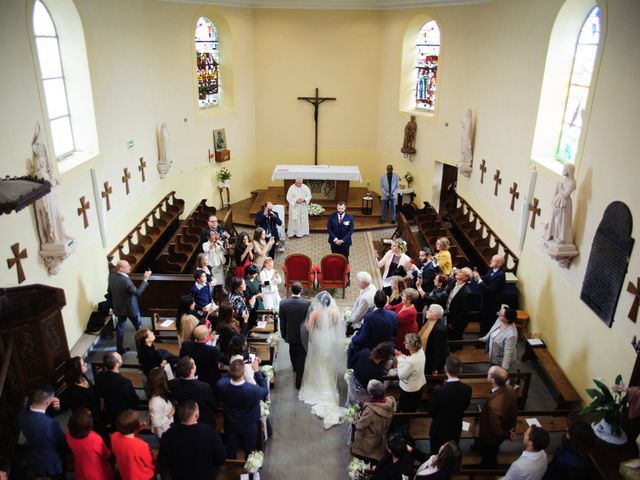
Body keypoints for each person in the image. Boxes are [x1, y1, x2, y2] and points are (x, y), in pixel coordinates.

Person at [299, 291, 347, 428]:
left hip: (319, 338)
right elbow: (337, 325)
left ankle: (320, 386)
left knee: (317, 361)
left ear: (319, 302)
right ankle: (330, 385)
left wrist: (308, 326)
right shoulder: (335, 312)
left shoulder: (315, 313)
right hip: (331, 338)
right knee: (328, 361)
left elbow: (308, 327)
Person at [158, 400, 226, 480]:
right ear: (196, 415)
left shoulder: (168, 435)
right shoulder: (211, 433)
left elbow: (163, 461)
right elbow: (221, 458)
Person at [216, 359, 269, 458]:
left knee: (231, 448)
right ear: (244, 372)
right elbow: (265, 390)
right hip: (249, 424)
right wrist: (257, 371)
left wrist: (235, 368)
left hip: (230, 423)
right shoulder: (252, 390)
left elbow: (224, 379)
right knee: (250, 449)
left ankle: (232, 465)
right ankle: (249, 470)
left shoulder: (222, 385)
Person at [18, 386, 66, 479]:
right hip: (51, 464)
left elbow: (38, 410)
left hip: (33, 458)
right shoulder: (50, 424)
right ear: (48, 402)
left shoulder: (22, 413)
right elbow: (62, 441)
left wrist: (56, 408)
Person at [428, 357, 472, 456]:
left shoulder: (438, 392)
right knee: (451, 454)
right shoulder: (467, 389)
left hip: (439, 429)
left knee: (436, 455)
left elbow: (431, 412)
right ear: (460, 370)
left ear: (445, 369)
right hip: (455, 427)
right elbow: (465, 405)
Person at [477, 366, 518, 468]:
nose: (487, 373)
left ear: (493, 380)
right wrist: (512, 427)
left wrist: (509, 434)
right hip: (505, 426)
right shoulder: (510, 389)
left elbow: (496, 430)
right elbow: (513, 411)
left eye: (489, 373)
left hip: (491, 436)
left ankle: (486, 468)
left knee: (489, 455)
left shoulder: (494, 405)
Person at [108, 259, 151, 354]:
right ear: (120, 268)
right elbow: (137, 293)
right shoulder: (126, 281)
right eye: (127, 266)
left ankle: (119, 349)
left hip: (119, 307)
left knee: (120, 328)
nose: (130, 267)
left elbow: (109, 291)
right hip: (131, 309)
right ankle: (144, 348)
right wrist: (145, 279)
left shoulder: (111, 276)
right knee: (139, 328)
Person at [351, 380, 396, 464]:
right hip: (382, 435)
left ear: (371, 395)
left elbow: (360, 427)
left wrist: (354, 420)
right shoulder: (390, 402)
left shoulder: (370, 411)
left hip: (371, 440)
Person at [66, 407, 114, 480]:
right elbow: (106, 455)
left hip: (80, 468)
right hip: (96, 471)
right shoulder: (94, 438)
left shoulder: (68, 435)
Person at [279, 282, 312, 389]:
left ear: (291, 290)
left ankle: (294, 367)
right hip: (303, 335)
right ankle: (298, 381)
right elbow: (309, 321)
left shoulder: (283, 303)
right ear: (301, 290)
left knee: (292, 351)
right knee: (301, 357)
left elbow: (282, 321)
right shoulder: (307, 304)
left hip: (290, 333)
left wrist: (284, 334)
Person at [169, 356, 217, 428]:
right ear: (192, 370)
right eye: (194, 364)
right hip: (201, 420)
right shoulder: (204, 387)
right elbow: (212, 404)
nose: (195, 365)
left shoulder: (172, 383)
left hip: (182, 419)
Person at [61, 357, 105, 436]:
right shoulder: (73, 390)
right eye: (83, 364)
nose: (86, 364)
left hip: (96, 410)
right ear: (77, 369)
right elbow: (81, 407)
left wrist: (100, 400)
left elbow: (93, 389)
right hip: (88, 416)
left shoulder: (83, 376)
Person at [95, 351, 140, 428]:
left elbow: (99, 392)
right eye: (120, 358)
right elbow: (133, 400)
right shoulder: (124, 382)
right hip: (123, 415)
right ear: (117, 364)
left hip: (109, 411)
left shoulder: (99, 376)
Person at [110, 410, 155, 480]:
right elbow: (150, 463)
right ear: (135, 427)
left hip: (125, 473)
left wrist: (137, 429)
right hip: (142, 476)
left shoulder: (114, 436)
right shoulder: (142, 445)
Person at [351, 290, 397, 354]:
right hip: (387, 349)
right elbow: (394, 333)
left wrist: (353, 338)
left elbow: (363, 339)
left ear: (374, 302)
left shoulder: (368, 317)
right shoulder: (393, 315)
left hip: (373, 350)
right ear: (386, 301)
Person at [180, 324, 222, 390]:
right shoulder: (212, 350)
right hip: (207, 378)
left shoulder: (185, 345)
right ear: (206, 337)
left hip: (191, 373)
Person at [473, 255, 507, 335]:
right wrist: (477, 276)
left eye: (493, 260)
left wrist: (479, 280)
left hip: (492, 304)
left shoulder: (500, 275)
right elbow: (486, 277)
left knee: (488, 324)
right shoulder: (492, 269)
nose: (490, 261)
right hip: (485, 301)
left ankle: (484, 341)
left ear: (499, 264)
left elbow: (488, 291)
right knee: (483, 321)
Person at [543, 163, 576, 245]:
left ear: (569, 171)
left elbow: (566, 194)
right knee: (557, 220)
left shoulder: (572, 183)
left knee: (563, 221)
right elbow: (559, 192)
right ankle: (555, 234)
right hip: (559, 202)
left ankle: (562, 238)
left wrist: (560, 187)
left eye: (564, 169)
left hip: (565, 204)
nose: (563, 171)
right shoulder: (565, 180)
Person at [394, 333, 426, 412]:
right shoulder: (421, 351)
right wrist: (403, 356)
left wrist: (400, 359)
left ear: (411, 346)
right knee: (414, 404)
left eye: (406, 342)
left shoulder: (412, 362)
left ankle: (405, 420)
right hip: (418, 384)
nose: (404, 343)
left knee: (406, 407)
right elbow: (411, 360)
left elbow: (401, 375)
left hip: (409, 389)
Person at [480, 305, 518, 370]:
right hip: (494, 355)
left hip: (501, 360)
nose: (498, 315)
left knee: (497, 375)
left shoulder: (511, 335)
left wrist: (503, 369)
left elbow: (508, 353)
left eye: (501, 314)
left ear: (508, 318)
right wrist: (485, 338)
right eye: (499, 312)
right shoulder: (500, 320)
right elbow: (492, 330)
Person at [387, 287, 419, 355]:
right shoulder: (403, 304)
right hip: (400, 329)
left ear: (409, 300)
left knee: (403, 350)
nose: (401, 297)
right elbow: (393, 308)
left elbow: (395, 320)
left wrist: (386, 308)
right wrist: (387, 306)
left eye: (403, 296)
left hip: (405, 333)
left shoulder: (411, 312)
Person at [419, 304, 448, 375]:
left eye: (429, 311)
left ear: (435, 316)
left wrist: (434, 367)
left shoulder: (439, 330)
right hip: (426, 356)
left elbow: (438, 350)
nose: (426, 312)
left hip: (431, 361)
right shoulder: (429, 321)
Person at [445, 268, 472, 344]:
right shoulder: (454, 282)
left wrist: (453, 323)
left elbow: (463, 311)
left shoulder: (467, 292)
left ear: (465, 278)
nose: (458, 272)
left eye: (461, 272)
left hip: (457, 321)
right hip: (449, 315)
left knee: (455, 340)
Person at [146, 367, 174, 438]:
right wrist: (170, 415)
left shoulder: (159, 393)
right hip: (163, 433)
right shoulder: (155, 402)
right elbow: (156, 424)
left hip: (166, 428)